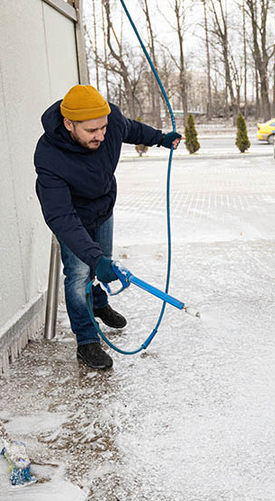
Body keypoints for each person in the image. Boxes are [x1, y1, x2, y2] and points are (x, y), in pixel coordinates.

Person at [33, 85, 181, 370]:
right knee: (79, 276)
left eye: (103, 127)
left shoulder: (108, 119)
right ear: (68, 124)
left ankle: (98, 302)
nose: (101, 135)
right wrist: (94, 258)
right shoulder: (48, 156)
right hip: (73, 220)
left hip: (103, 208)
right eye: (92, 131)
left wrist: (160, 139)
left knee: (103, 265)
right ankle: (87, 341)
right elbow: (61, 217)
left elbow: (130, 129)